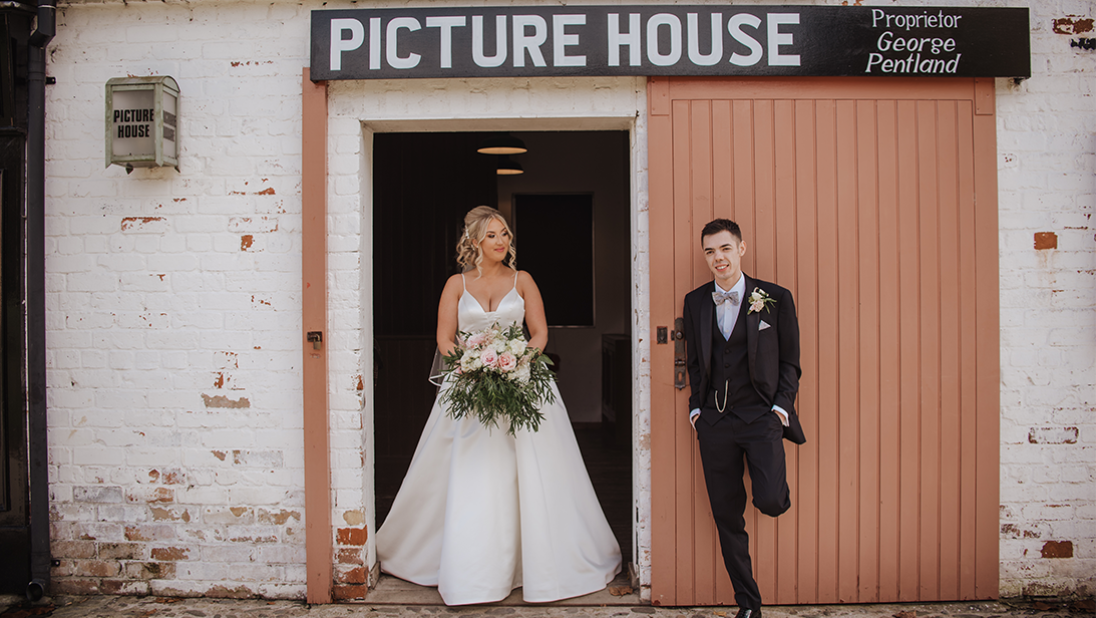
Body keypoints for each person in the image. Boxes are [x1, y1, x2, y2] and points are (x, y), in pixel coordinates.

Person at [376, 206, 621, 605]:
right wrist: (472, 364)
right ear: (474, 242)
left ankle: (542, 560)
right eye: (492, 235)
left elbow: (539, 332)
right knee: (469, 472)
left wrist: (518, 359)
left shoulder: (523, 280)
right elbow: (445, 338)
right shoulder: (455, 285)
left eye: (505, 234)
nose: (502, 241)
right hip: (469, 385)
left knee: (535, 472)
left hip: (521, 380)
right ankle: (463, 561)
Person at [681, 219, 805, 618]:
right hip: (714, 423)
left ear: (742, 249)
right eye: (710, 252)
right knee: (726, 514)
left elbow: (790, 362)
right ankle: (748, 604)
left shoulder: (775, 298)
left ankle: (770, 489)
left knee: (770, 500)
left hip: (760, 418)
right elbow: (697, 362)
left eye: (724, 249)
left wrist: (780, 411)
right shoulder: (696, 300)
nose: (718, 258)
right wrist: (697, 409)